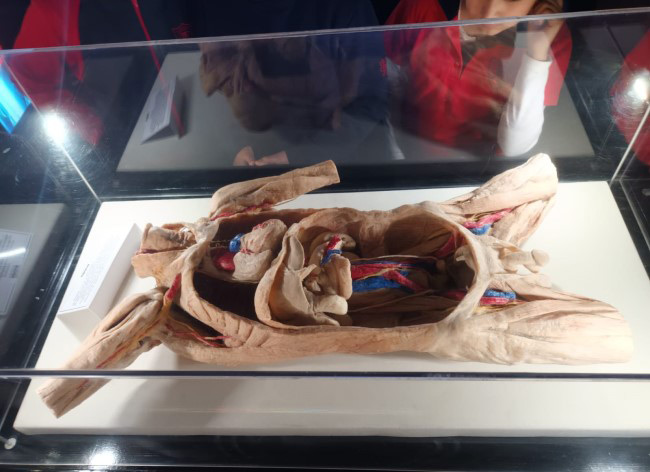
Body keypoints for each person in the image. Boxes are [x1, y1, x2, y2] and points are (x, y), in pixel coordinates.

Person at [385, 0, 572, 157]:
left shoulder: (548, 33)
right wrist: (396, 154)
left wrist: (537, 53)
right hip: (413, 151)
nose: (489, 13)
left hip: (484, 169)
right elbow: (390, 86)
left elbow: (513, 146)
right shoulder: (423, 6)